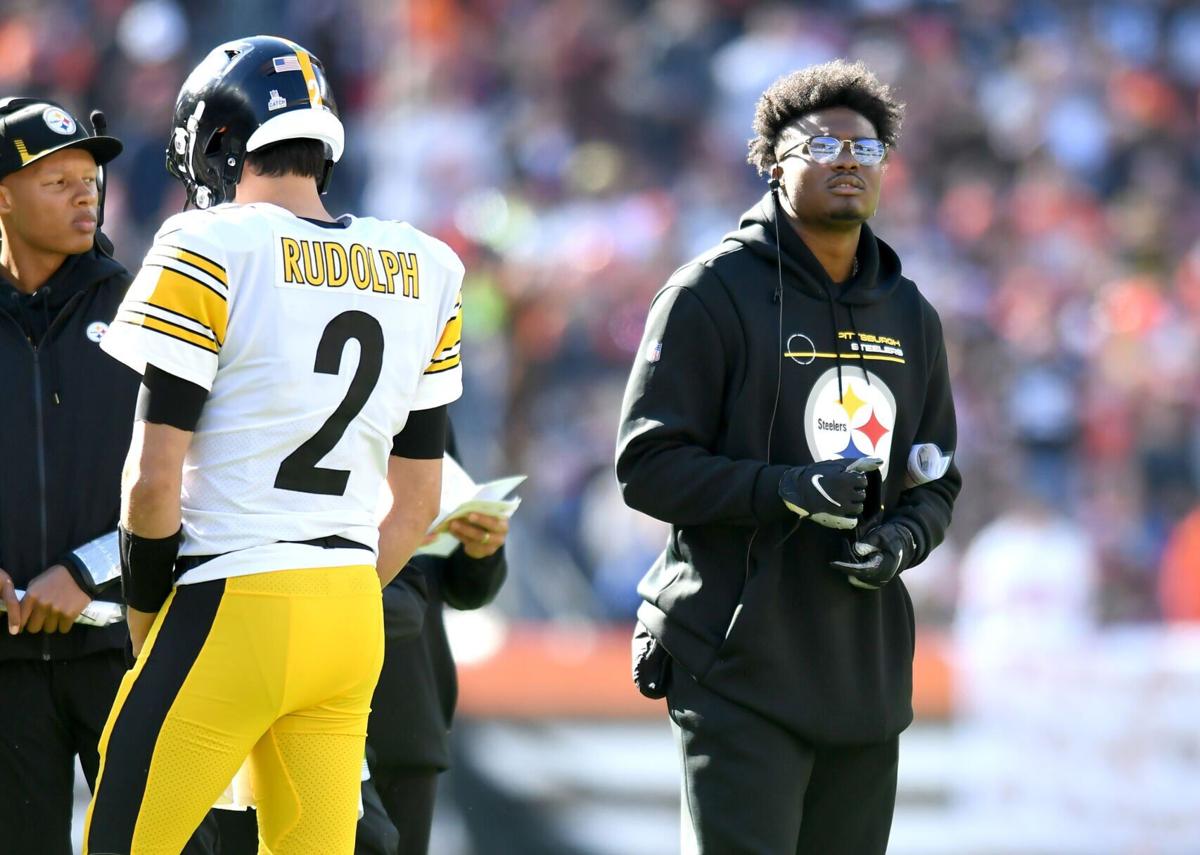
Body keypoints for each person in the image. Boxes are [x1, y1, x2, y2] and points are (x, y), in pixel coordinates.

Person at [82, 35, 464, 855]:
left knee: (120, 841)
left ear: (217, 146)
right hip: (350, 612)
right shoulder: (428, 264)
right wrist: (327, 585)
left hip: (232, 601)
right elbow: (421, 503)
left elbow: (151, 483)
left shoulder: (207, 244)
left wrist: (149, 619)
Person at [616, 59, 961, 855]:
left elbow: (937, 476)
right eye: (824, 144)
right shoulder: (709, 291)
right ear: (774, 163)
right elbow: (647, 465)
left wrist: (904, 540)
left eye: (866, 149)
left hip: (864, 675)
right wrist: (789, 489)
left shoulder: (912, 314)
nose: (848, 159)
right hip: (738, 666)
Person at [0, 96, 219, 855]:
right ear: (2, 195)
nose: (85, 193)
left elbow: (195, 478)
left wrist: (88, 574)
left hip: (129, 652)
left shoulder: (146, 308)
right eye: (56, 180)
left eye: (88, 177)